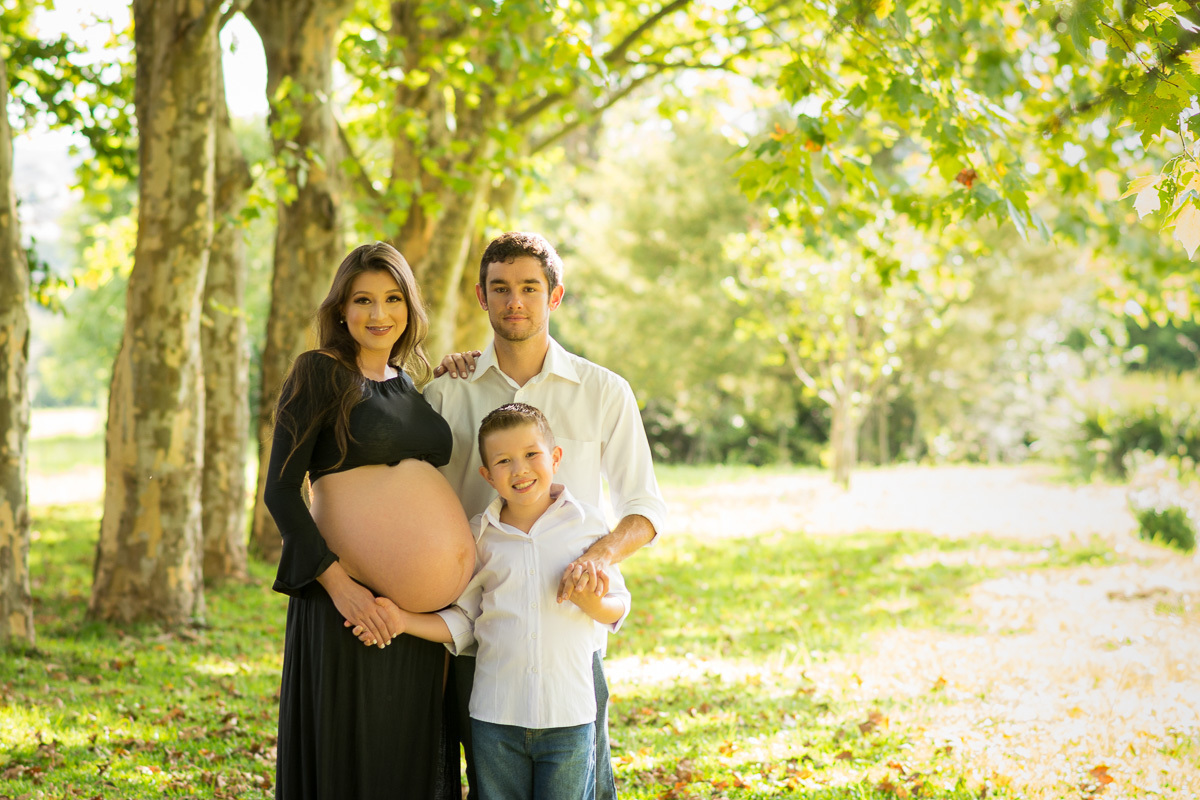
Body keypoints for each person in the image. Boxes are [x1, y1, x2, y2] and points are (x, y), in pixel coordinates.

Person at [423, 231, 668, 799]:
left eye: (530, 288)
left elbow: (646, 508)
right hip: (476, 641)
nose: (515, 301)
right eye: (500, 288)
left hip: (570, 647)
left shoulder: (604, 392)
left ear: (554, 297)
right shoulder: (446, 394)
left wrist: (598, 556)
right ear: (481, 298)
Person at [263, 241, 476, 800]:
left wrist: (453, 371)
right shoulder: (318, 372)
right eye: (362, 300)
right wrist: (340, 588)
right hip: (348, 606)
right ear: (340, 309)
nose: (378, 314)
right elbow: (281, 492)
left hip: (415, 620)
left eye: (392, 299)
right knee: (352, 754)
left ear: (410, 308)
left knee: (405, 757)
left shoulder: (409, 384)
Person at [368, 402, 631, 800]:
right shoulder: (477, 537)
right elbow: (463, 622)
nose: (520, 469)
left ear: (555, 458)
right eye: (504, 461)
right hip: (494, 718)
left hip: (570, 717)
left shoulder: (588, 525)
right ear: (487, 475)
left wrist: (591, 602)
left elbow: (618, 605)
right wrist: (402, 619)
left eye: (531, 455)